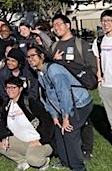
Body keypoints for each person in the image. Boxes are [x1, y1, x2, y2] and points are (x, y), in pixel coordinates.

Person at [27, 45, 93, 171]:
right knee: (58, 130)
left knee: (69, 131)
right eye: (28, 57)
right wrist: (54, 116)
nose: (30, 59)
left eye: (33, 56)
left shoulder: (54, 70)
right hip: (66, 105)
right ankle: (65, 162)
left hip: (79, 103)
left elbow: (64, 94)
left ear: (42, 56)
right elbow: (49, 96)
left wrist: (66, 117)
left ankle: (78, 167)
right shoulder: (40, 72)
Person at [50, 13, 96, 161]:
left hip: (79, 90)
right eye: (54, 26)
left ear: (68, 25)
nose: (56, 28)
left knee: (85, 121)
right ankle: (72, 150)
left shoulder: (80, 44)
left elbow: (91, 67)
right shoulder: (54, 46)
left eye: (59, 24)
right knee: (69, 118)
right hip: (62, 90)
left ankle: (86, 150)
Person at [0, 76, 54, 171]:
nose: (10, 90)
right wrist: (4, 137)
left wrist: (41, 140)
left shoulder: (29, 102)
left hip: (40, 142)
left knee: (33, 160)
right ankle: (22, 161)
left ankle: (44, 161)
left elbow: (47, 121)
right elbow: (2, 123)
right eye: (7, 87)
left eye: (13, 87)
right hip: (23, 142)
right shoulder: (7, 105)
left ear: (20, 89)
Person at [93, 10, 112, 133]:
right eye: (104, 21)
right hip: (106, 84)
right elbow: (98, 60)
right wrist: (99, 76)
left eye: (109, 21)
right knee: (111, 117)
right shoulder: (98, 41)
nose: (106, 24)